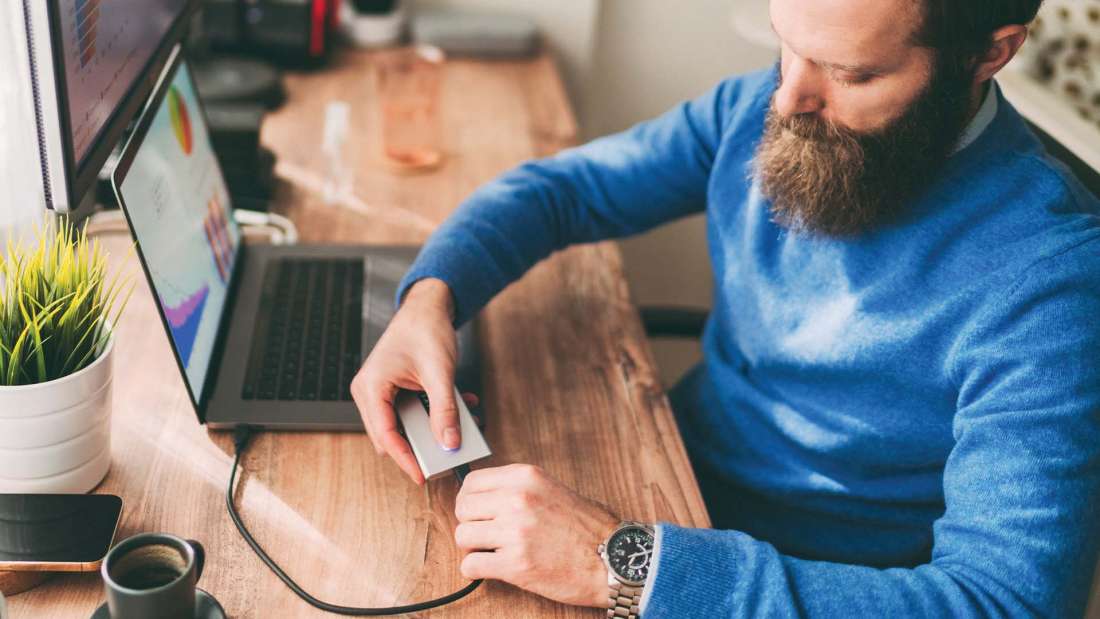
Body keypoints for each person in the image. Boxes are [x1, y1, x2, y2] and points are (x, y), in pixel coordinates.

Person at [352, 0, 1100, 616]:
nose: (787, 100)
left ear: (989, 54)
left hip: (813, 585)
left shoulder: (1050, 277)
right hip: (666, 480)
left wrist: (623, 564)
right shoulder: (760, 103)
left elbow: (1008, 602)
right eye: (787, 47)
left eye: (852, 74)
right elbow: (565, 189)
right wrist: (431, 296)